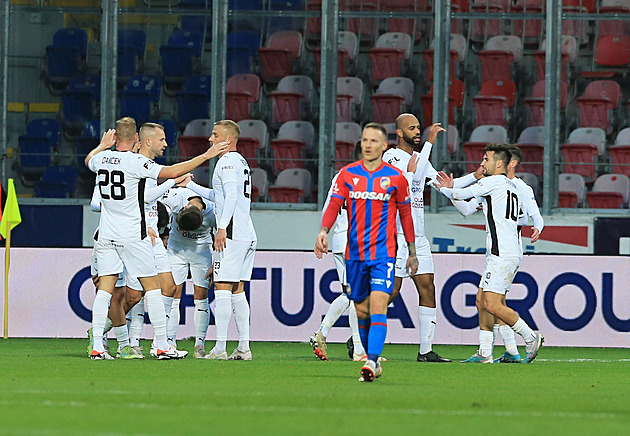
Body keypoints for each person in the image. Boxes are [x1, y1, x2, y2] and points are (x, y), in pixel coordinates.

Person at [85, 121, 228, 360]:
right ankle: (161, 344)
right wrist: (207, 154)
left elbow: (88, 160)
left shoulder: (102, 159)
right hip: (133, 234)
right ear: (137, 140)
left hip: (107, 235)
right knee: (152, 287)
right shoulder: (136, 162)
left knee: (105, 291)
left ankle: (98, 346)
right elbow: (171, 171)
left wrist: (101, 146)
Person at [315, 123, 417, 382]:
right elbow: (334, 204)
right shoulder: (347, 175)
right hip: (355, 253)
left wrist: (412, 250)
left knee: (378, 304)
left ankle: (371, 360)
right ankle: (362, 351)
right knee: (360, 309)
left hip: (384, 253)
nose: (368, 144)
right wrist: (323, 230)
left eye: (373, 140)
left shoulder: (396, 178)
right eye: (364, 140)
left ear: (384, 146)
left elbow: (406, 214)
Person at [433, 144, 544, 364]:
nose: (482, 163)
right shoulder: (508, 185)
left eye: (486, 159)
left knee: (493, 304)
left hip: (502, 253)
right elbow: (466, 208)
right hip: (504, 252)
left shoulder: (492, 182)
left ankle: (530, 336)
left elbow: (460, 193)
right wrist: (450, 190)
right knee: (482, 300)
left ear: (499, 163)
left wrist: (444, 188)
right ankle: (485, 352)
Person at [189, 120, 257, 361]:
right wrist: (192, 186)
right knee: (238, 290)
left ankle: (219, 348)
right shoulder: (240, 161)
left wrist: (221, 228)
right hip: (246, 232)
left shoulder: (226, 162)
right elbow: (221, 197)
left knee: (222, 288)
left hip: (232, 233)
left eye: (215, 135)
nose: (210, 139)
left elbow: (228, 200)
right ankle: (244, 347)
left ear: (227, 140)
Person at [310, 143, 370, 362]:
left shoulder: (340, 176)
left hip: (340, 239)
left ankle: (321, 333)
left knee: (349, 294)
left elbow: (330, 207)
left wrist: (322, 233)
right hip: (357, 242)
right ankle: (359, 350)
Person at [160, 182, 216, 358]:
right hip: (175, 250)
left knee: (201, 297)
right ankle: (169, 342)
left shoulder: (213, 211)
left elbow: (226, 235)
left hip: (201, 252)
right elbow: (150, 199)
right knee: (172, 295)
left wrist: (218, 263)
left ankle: (199, 345)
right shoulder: (176, 197)